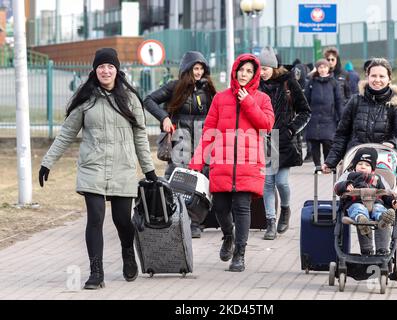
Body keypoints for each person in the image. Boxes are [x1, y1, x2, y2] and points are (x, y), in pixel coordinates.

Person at [38, 48, 157, 289]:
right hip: (92, 167)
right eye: (101, 66)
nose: (105, 70)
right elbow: (66, 135)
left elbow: (141, 138)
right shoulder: (86, 100)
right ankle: (96, 273)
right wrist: (47, 162)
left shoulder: (131, 99)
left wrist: (149, 170)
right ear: (95, 70)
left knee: (122, 220)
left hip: (122, 167)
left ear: (117, 70)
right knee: (95, 218)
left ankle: (127, 252)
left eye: (110, 66)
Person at [189, 53, 274, 272]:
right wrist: (197, 162)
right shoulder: (220, 98)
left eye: (249, 71)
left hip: (249, 162)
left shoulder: (262, 99)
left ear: (254, 75)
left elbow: (266, 124)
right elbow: (208, 131)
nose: (244, 74)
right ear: (235, 71)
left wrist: (247, 102)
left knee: (242, 207)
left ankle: (240, 253)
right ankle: (228, 236)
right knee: (220, 207)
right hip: (222, 161)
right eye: (241, 70)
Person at [322, 57, 397, 255]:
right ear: (367, 77)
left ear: (389, 78)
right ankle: (366, 253)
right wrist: (330, 161)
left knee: (380, 205)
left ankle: (382, 252)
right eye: (374, 76)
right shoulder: (355, 101)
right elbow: (342, 134)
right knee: (358, 202)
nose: (377, 80)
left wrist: (392, 143)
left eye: (382, 76)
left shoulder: (395, 106)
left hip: (383, 164)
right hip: (357, 163)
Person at [143, 51, 217, 238]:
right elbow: (149, 100)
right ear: (186, 69)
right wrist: (164, 117)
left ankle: (197, 222)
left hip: (203, 140)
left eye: (201, 68)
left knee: (202, 180)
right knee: (178, 180)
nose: (198, 72)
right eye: (195, 68)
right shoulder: (174, 87)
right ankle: (177, 218)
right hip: (179, 141)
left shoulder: (209, 90)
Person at [258, 46, 311, 240]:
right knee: (267, 183)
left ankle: (286, 210)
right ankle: (270, 222)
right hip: (264, 141)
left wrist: (291, 129)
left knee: (281, 182)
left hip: (285, 140)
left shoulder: (289, 82)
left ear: (273, 66)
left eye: (265, 68)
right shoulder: (256, 85)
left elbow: (305, 111)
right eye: (259, 69)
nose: (261, 73)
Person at [334, 147, 397, 250]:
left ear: (373, 169)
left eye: (367, 165)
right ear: (354, 166)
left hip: (375, 203)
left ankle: (382, 219)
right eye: (360, 164)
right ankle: (362, 221)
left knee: (379, 208)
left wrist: (393, 201)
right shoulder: (348, 176)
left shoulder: (378, 178)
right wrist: (345, 186)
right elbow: (337, 188)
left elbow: (386, 193)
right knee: (358, 209)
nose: (363, 167)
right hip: (355, 202)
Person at [304, 58, 342, 168]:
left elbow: (338, 100)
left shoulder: (334, 82)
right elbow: (306, 99)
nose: (322, 69)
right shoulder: (311, 82)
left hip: (329, 118)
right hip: (314, 117)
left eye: (325, 67)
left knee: (327, 142)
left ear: (328, 68)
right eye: (320, 67)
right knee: (314, 143)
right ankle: (317, 165)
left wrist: (341, 117)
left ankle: (327, 164)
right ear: (317, 68)